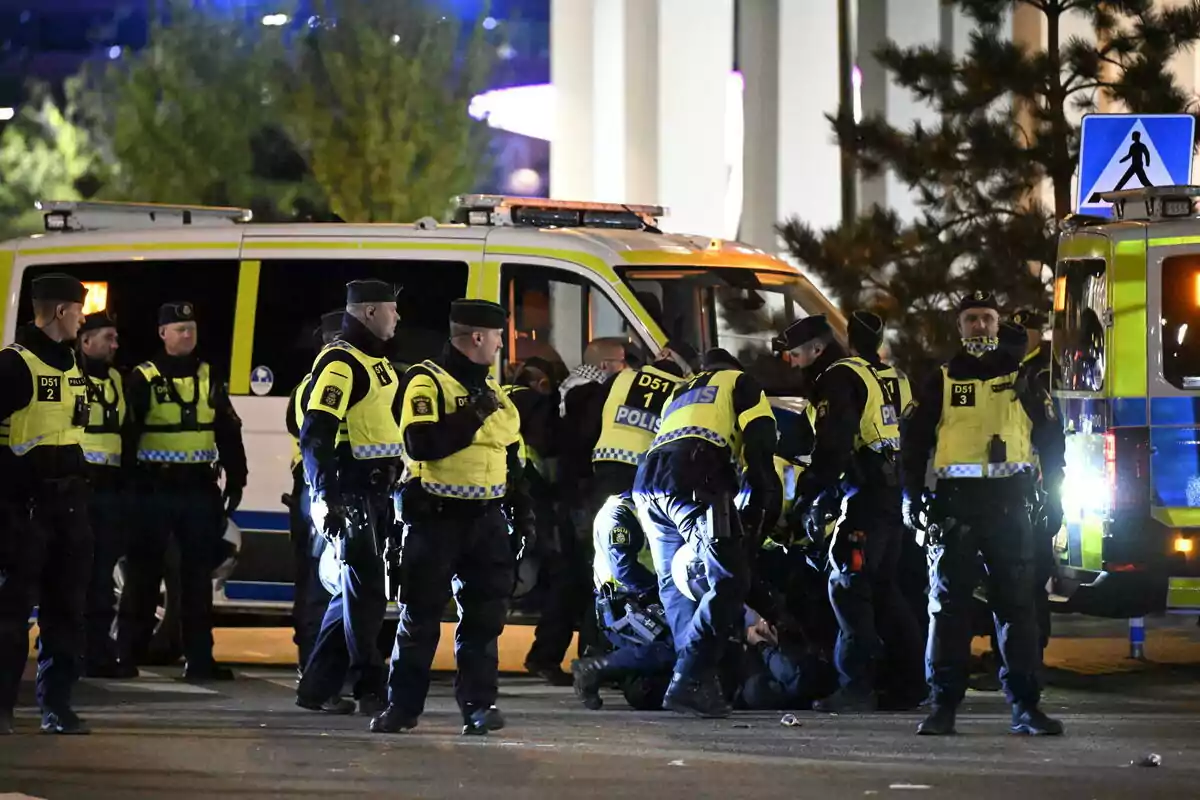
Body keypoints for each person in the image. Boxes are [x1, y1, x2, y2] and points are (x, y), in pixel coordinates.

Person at [901, 291, 1066, 736]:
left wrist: (1055, 495)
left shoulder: (1024, 379)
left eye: (987, 319)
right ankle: (943, 706)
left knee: (1017, 608)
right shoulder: (940, 380)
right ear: (959, 327)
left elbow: (1052, 440)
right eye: (971, 319)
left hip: (1010, 505)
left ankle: (1026, 707)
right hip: (956, 507)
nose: (979, 327)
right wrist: (912, 497)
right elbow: (912, 442)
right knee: (948, 610)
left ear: (998, 325)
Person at [372, 299, 535, 736]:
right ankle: (402, 709)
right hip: (435, 517)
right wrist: (474, 413)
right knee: (420, 618)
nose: (502, 346)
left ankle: (479, 707)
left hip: (486, 521)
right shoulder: (426, 382)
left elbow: (512, 456)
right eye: (499, 338)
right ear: (477, 337)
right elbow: (422, 443)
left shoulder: (496, 392)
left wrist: (522, 511)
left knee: (484, 622)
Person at [779, 313, 923, 712]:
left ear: (818, 349)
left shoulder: (837, 378)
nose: (792, 363)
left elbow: (834, 446)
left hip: (868, 494)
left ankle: (856, 685)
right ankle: (911, 683)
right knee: (883, 589)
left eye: (796, 354)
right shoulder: (888, 376)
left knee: (847, 584)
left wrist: (807, 497)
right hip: (894, 493)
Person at [632, 347, 781, 718]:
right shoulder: (741, 382)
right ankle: (689, 679)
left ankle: (696, 684)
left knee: (674, 588)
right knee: (730, 579)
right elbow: (761, 447)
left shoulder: (681, 390)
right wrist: (761, 510)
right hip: (695, 476)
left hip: (648, 483)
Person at [118, 301, 248, 681]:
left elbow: (227, 430)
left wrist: (237, 478)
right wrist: (128, 488)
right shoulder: (142, 377)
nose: (187, 334)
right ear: (162, 333)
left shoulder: (209, 374)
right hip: (153, 488)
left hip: (198, 490)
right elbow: (128, 436)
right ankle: (127, 654)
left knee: (196, 581)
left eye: (191, 328)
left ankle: (199, 660)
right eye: (179, 329)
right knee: (142, 576)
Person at [295, 284, 402, 715]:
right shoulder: (341, 364)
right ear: (370, 311)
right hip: (352, 492)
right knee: (366, 598)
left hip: (376, 491)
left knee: (352, 596)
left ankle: (316, 688)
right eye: (393, 310)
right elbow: (316, 433)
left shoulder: (374, 362)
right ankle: (369, 687)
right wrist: (325, 497)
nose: (398, 318)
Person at [0, 273, 93, 734]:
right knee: (10, 613)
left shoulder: (74, 364)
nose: (83, 317)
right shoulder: (13, 366)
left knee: (66, 611)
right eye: (79, 310)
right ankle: (1, 708)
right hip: (23, 510)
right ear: (61, 311)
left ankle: (57, 706)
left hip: (70, 508)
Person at [524, 338, 629, 683]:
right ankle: (590, 660)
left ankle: (548, 655)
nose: (625, 372)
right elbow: (587, 440)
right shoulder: (589, 394)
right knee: (592, 578)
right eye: (621, 363)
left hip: (571, 497)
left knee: (573, 579)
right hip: (584, 496)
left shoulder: (571, 389)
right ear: (605, 365)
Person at [570, 493, 674, 711]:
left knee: (650, 692)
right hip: (625, 604)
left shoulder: (653, 506)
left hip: (646, 599)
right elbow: (624, 570)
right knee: (676, 644)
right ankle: (596, 667)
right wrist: (661, 591)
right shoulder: (618, 513)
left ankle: (619, 665)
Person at [77, 310, 137, 679]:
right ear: (86, 342)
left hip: (108, 492)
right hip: (77, 488)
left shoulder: (117, 379)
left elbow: (125, 436)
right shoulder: (70, 376)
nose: (115, 345)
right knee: (74, 575)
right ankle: (73, 649)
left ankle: (97, 652)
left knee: (101, 577)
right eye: (108, 338)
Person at [286, 309, 342, 675]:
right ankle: (315, 668)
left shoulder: (317, 380)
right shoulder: (320, 383)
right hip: (321, 489)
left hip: (325, 488)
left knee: (329, 581)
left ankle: (323, 667)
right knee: (322, 580)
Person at [1010, 307, 1063, 655]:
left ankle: (1032, 650)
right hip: (1022, 488)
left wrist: (1049, 493)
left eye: (1022, 333)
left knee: (1033, 574)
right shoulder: (1020, 370)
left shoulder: (1041, 372)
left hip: (1039, 488)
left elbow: (1048, 436)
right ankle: (1023, 649)